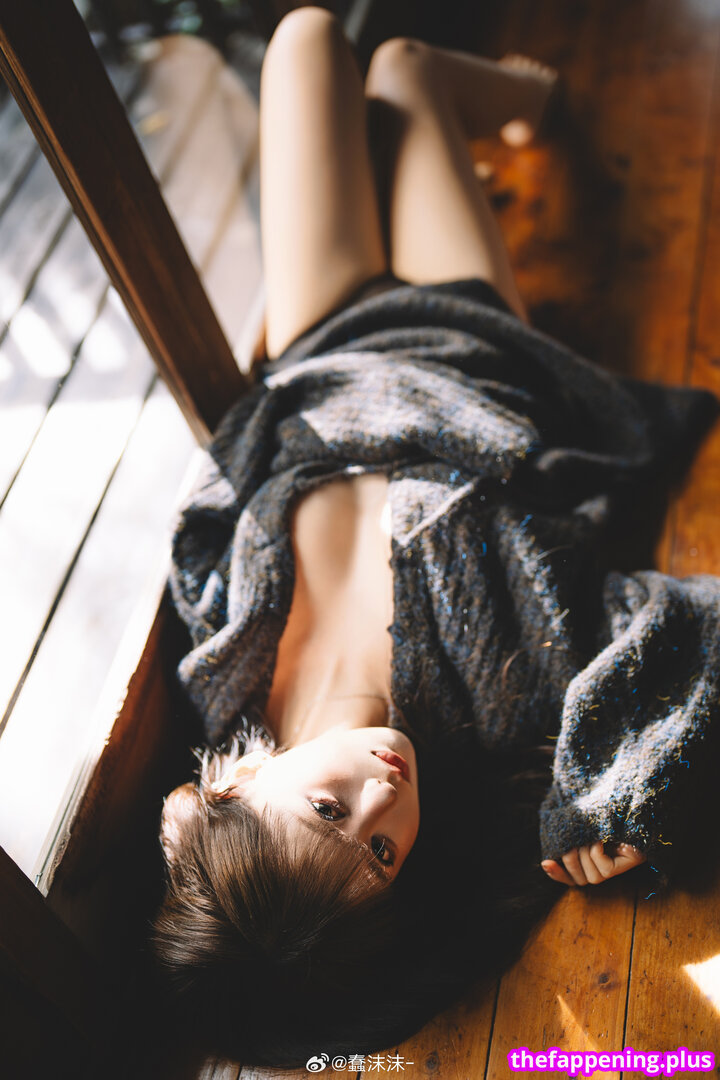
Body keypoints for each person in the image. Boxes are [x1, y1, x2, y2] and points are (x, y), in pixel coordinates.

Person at [152, 7, 720, 1068]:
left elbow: (217, 501)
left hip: (327, 350)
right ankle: (533, 102)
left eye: (330, 808)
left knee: (308, 37)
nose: (385, 792)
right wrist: (625, 797)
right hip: (466, 347)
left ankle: (473, 113)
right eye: (382, 852)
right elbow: (688, 629)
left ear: (233, 787)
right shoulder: (496, 705)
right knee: (405, 68)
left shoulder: (224, 669)